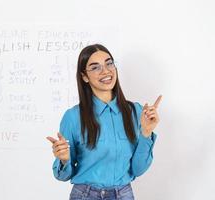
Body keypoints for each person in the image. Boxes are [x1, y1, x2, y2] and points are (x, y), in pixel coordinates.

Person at [46, 44, 162, 200]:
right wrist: (64, 159)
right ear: (84, 77)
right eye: (95, 67)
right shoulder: (73, 117)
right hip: (85, 195)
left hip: (124, 195)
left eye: (109, 63)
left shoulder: (136, 112)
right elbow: (62, 175)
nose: (105, 71)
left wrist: (146, 133)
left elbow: (138, 169)